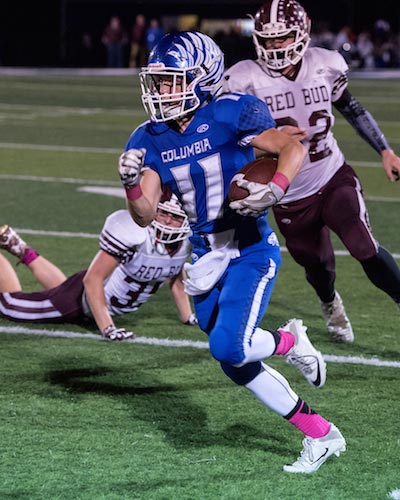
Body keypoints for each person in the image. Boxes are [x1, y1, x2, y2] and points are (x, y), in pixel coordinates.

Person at [117, 30, 345, 473]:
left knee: (229, 345)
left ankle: (290, 342)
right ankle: (320, 431)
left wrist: (275, 189)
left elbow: (291, 147)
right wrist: (129, 184)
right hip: (204, 255)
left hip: (250, 249)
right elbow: (145, 214)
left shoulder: (231, 113)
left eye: (170, 80)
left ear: (201, 78)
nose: (161, 91)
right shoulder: (150, 136)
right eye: (158, 81)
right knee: (236, 364)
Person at [222, 0, 400, 343]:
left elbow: (352, 108)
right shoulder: (243, 79)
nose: (274, 47)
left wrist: (385, 150)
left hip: (331, 174)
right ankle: (330, 302)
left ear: (301, 34)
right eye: (268, 40)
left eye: (282, 38)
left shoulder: (325, 65)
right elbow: (225, 139)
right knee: (317, 266)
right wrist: (264, 146)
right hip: (287, 191)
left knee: (363, 244)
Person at [0, 194, 197, 341]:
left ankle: (17, 246)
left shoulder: (183, 245)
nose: (169, 221)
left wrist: (187, 317)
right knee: (8, 306)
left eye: (176, 216)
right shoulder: (137, 235)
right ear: (154, 211)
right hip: (78, 301)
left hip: (91, 300)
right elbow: (92, 279)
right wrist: (108, 328)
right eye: (164, 213)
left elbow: (176, 280)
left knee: (59, 289)